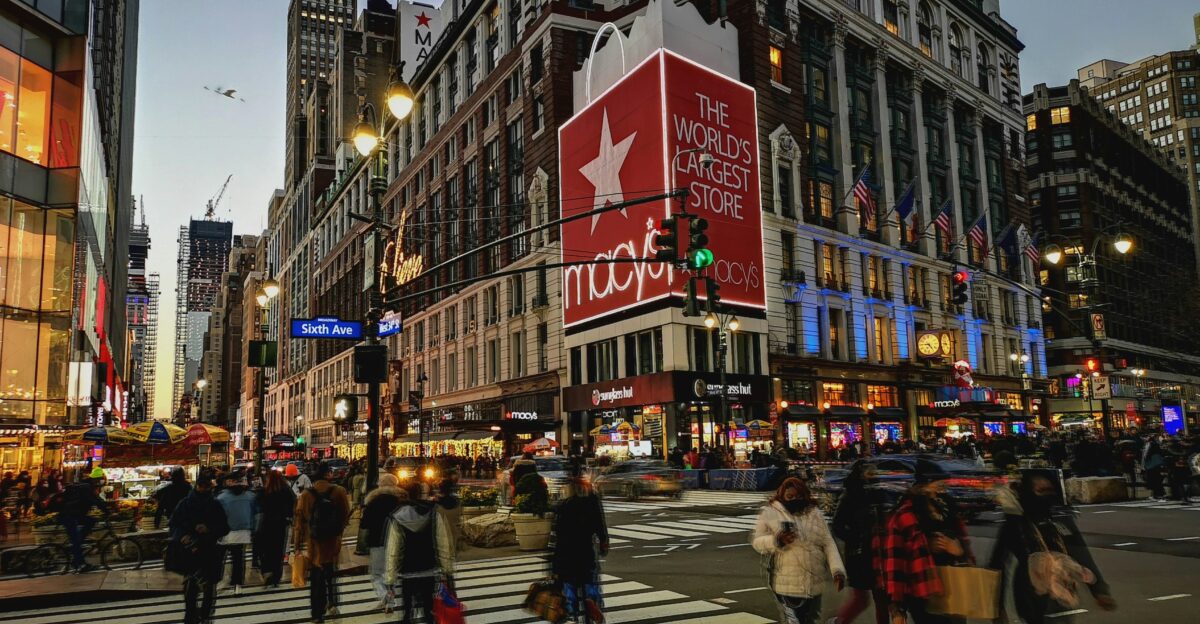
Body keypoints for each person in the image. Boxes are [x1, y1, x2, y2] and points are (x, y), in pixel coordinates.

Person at [987, 472, 1116, 623]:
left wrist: (1099, 590)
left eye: (1049, 490)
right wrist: (997, 606)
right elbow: (998, 564)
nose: (1046, 495)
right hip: (1030, 591)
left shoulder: (1059, 519)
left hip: (1062, 589)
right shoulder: (1016, 523)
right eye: (1040, 490)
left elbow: (1080, 553)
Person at [876, 464, 974, 624]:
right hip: (922, 589)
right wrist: (897, 609)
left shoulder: (946, 507)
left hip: (952, 583)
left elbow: (963, 543)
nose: (943, 488)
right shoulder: (905, 515)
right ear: (924, 486)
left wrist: (958, 550)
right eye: (939, 484)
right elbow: (895, 563)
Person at [752, 477, 845, 624]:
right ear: (782, 495)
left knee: (809, 620)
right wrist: (777, 540)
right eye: (790, 497)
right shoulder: (771, 513)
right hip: (786, 583)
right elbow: (757, 542)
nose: (795, 499)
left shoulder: (814, 513)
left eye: (799, 496)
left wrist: (837, 571)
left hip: (814, 582)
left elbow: (827, 542)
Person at [384, 480, 457, 624]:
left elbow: (393, 550)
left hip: (407, 571)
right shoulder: (433, 512)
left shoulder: (398, 516)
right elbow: (443, 544)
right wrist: (448, 571)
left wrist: (390, 579)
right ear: (421, 494)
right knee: (429, 611)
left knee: (407, 611)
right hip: (429, 568)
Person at [831, 464, 889, 624]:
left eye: (873, 471)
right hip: (859, 554)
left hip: (879, 552)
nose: (872, 474)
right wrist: (856, 538)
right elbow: (838, 525)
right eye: (868, 471)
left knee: (882, 598)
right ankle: (840, 622)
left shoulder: (878, 493)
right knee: (861, 598)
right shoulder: (851, 495)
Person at [293, 462, 351, 623]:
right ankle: (332, 602)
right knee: (331, 573)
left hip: (314, 542)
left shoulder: (306, 495)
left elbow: (299, 522)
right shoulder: (339, 491)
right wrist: (338, 531)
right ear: (328, 474)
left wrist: (297, 546)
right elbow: (345, 515)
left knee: (316, 577)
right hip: (332, 541)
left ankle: (317, 613)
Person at [170, 469, 230, 624]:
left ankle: (204, 616)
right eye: (202, 486)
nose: (204, 489)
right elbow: (174, 525)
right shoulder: (186, 504)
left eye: (206, 486)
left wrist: (209, 529)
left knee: (207, 587)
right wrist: (182, 536)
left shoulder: (214, 504)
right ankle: (193, 616)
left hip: (208, 549)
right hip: (191, 549)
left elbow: (224, 527)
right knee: (193, 587)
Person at [551, 464, 609, 623]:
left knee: (569, 585)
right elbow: (599, 522)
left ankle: (572, 612)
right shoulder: (590, 501)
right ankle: (591, 599)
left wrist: (553, 565)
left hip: (566, 551)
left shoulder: (564, 504)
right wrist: (604, 541)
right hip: (585, 548)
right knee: (589, 579)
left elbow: (557, 531)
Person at [362, 473, 407, 613]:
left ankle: (386, 596)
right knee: (393, 571)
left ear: (380, 485)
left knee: (377, 573)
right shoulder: (401, 500)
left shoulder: (373, 501)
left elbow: (364, 523)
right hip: (397, 540)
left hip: (377, 540)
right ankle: (390, 599)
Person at [59, 468, 109, 572]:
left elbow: (96, 499)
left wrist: (106, 509)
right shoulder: (86, 488)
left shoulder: (87, 486)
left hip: (75, 514)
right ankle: (80, 564)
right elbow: (95, 501)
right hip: (68, 515)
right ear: (97, 479)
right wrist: (107, 511)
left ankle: (79, 545)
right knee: (76, 540)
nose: (102, 482)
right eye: (101, 479)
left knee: (91, 521)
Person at [216, 471, 258, 593]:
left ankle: (220, 581)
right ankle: (237, 584)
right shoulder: (249, 496)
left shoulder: (222, 498)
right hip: (243, 533)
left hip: (226, 532)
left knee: (220, 558)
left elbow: (218, 516)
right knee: (238, 559)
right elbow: (256, 513)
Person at [256, 468, 296, 587]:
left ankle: (267, 571)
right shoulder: (286, 490)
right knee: (278, 550)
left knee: (266, 549)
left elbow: (259, 503)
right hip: (281, 523)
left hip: (267, 522)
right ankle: (276, 576)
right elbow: (293, 502)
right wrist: (289, 516)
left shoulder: (265, 491)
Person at [1142, 434, 1168, 501]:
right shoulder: (1152, 444)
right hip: (1154, 464)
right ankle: (1158, 495)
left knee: (1155, 480)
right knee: (1156, 480)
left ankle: (1159, 495)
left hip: (1153, 465)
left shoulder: (1151, 445)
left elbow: (1146, 455)